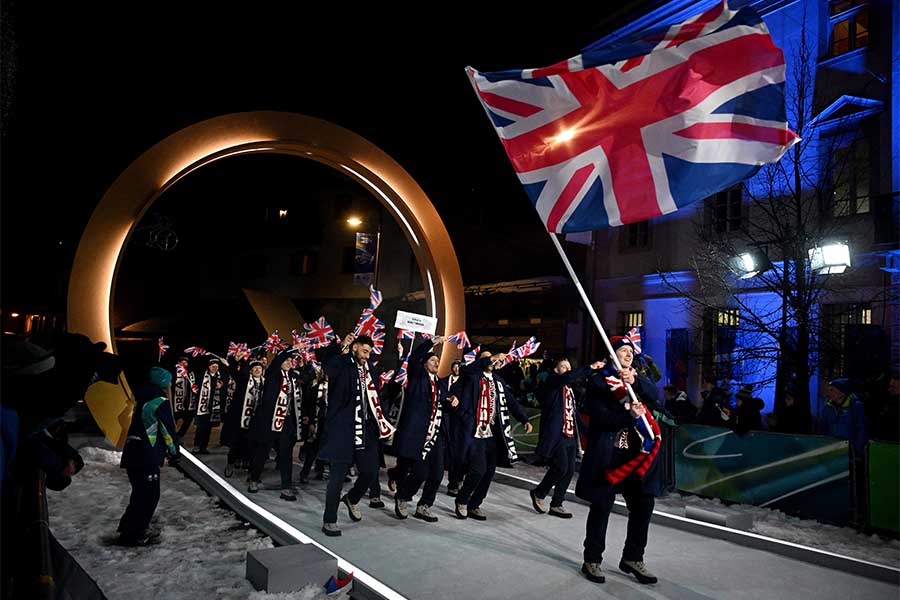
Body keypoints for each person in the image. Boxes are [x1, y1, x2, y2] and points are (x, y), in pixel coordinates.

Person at [576, 335, 662, 585]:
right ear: (611, 354)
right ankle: (592, 559)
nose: (628, 354)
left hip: (636, 457)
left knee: (644, 504)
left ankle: (633, 558)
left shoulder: (636, 379)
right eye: (623, 350)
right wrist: (627, 415)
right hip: (609, 456)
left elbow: (655, 395)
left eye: (630, 351)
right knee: (602, 506)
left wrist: (635, 380)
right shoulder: (598, 382)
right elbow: (600, 421)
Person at [319, 334, 394, 536]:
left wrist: (384, 424)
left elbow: (377, 399)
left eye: (370, 352)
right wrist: (340, 346)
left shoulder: (371, 371)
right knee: (337, 477)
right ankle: (329, 520)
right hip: (343, 431)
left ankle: (351, 498)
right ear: (354, 347)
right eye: (364, 350)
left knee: (370, 472)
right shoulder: (342, 364)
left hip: (366, 431)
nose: (367, 355)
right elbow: (326, 363)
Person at [451, 350, 532, 521]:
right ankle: (462, 499)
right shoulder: (472, 376)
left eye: (492, 358)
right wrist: (492, 357)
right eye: (487, 358)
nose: (492, 361)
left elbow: (511, 402)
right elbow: (467, 370)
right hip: (474, 431)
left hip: (491, 433)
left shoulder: (498, 381)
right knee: (478, 469)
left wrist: (524, 419)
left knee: (489, 471)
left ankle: (475, 504)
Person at [117, 366, 180, 546]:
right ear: (164, 382)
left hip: (132, 451)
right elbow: (167, 430)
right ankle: (133, 534)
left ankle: (127, 529)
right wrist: (174, 452)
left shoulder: (141, 398)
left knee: (139, 494)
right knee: (149, 495)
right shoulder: (160, 401)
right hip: (147, 453)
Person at [530, 356, 600, 518]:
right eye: (564, 367)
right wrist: (590, 366)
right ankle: (539, 493)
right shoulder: (552, 383)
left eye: (569, 367)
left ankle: (556, 504)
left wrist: (589, 433)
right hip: (557, 435)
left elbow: (574, 416)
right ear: (556, 370)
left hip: (570, 435)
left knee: (568, 471)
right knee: (560, 467)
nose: (568, 370)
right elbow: (568, 376)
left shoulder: (569, 390)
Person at [390, 336, 448, 523]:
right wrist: (431, 343)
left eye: (438, 361)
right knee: (420, 472)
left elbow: (443, 401)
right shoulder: (417, 376)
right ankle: (403, 496)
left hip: (435, 433)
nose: (436, 363)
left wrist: (451, 401)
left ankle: (424, 505)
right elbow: (415, 357)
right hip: (418, 433)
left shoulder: (439, 383)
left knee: (437, 474)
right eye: (433, 360)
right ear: (424, 363)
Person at [247, 350, 307, 501]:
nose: (288, 362)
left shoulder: (293, 376)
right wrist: (292, 348)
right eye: (285, 360)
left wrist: (303, 363)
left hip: (286, 421)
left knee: (286, 454)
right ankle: (254, 479)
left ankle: (286, 487)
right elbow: (275, 362)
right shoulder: (273, 374)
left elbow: (309, 376)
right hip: (269, 420)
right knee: (262, 451)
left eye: (290, 360)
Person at [221, 359, 264, 477]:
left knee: (252, 445)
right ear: (250, 370)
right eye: (255, 368)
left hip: (255, 420)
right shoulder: (244, 381)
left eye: (260, 368)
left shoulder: (265, 383)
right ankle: (230, 463)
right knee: (236, 443)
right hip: (241, 418)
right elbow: (234, 371)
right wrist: (236, 359)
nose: (257, 370)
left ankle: (249, 466)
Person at [440, 360, 464, 496]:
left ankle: (454, 482)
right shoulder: (442, 381)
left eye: (459, 366)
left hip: (456, 420)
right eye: (454, 365)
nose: (457, 368)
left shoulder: (465, 384)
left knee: (455, 451)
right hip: (442, 416)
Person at [193, 357, 225, 454]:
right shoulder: (203, 375)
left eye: (216, 366)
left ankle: (204, 447)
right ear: (209, 367)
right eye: (212, 366)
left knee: (208, 428)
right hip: (202, 405)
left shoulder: (220, 377)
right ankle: (197, 446)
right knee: (200, 427)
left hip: (213, 406)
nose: (214, 368)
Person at [172, 355, 197, 438]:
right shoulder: (174, 372)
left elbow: (194, 383)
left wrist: (195, 388)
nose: (184, 363)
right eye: (182, 362)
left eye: (185, 362)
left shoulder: (191, 372)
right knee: (174, 418)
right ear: (179, 363)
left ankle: (180, 435)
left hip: (188, 401)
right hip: (176, 400)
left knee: (188, 419)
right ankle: (172, 435)